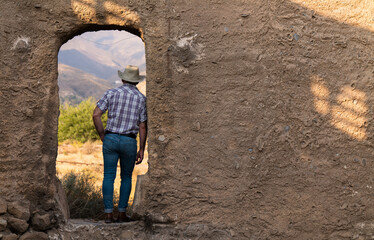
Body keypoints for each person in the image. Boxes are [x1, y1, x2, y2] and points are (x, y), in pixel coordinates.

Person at [92, 65, 147, 223]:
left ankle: (108, 214)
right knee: (127, 177)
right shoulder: (142, 99)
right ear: (136, 81)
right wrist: (142, 148)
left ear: (123, 79)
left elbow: (96, 114)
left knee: (108, 176)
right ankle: (122, 213)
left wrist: (102, 134)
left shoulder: (111, 93)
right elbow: (142, 125)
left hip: (110, 138)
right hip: (129, 141)